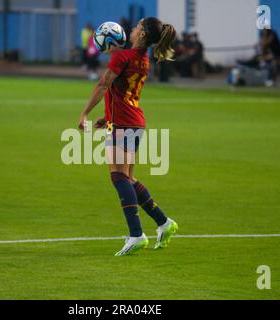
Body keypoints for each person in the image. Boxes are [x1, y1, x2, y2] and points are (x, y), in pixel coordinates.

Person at [78, 17, 179, 256]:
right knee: (129, 178)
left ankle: (136, 235)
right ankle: (164, 223)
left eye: (137, 27)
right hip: (131, 121)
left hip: (124, 123)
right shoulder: (142, 59)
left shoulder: (122, 57)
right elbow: (123, 92)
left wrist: (84, 114)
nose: (133, 29)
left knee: (118, 176)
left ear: (142, 34)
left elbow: (104, 85)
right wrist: (108, 118)